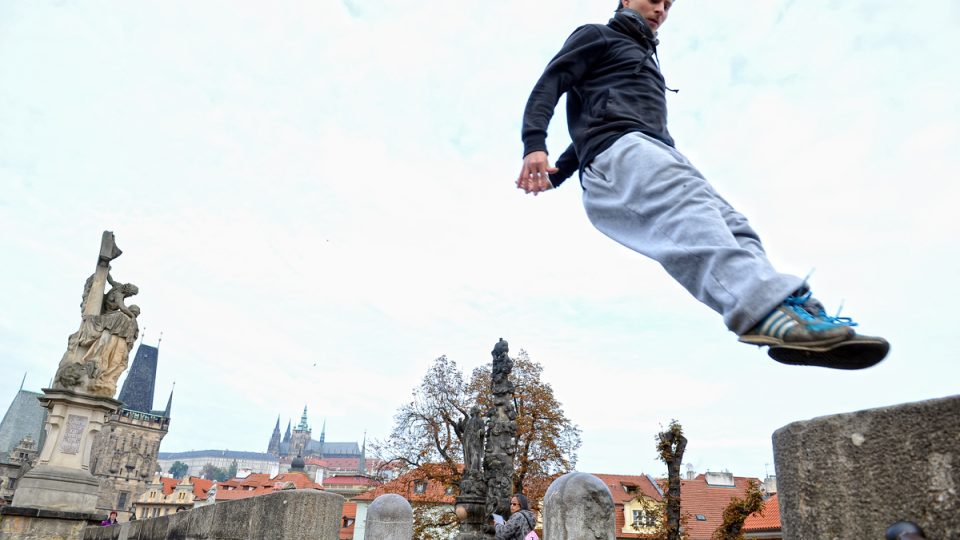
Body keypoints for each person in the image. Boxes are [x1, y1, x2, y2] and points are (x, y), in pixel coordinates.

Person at [516, 0, 887, 369]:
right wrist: (535, 144)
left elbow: (592, 122)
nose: (661, 9)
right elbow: (551, 82)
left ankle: (793, 313)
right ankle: (761, 311)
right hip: (622, 151)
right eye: (654, 0)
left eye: (668, 4)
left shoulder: (640, 53)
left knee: (736, 226)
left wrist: (559, 173)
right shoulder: (598, 35)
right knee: (691, 219)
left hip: (656, 150)